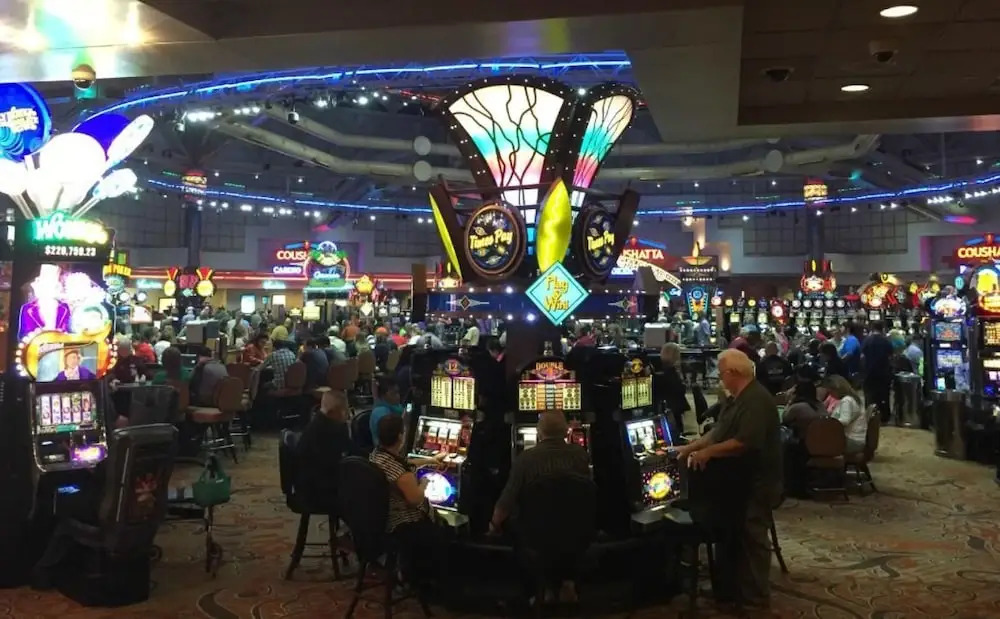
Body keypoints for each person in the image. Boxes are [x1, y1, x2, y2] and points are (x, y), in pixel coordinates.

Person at [673, 349, 782, 609]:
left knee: (753, 538)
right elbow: (717, 433)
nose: (720, 378)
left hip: (759, 482)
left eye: (721, 373)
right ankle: (731, 590)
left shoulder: (755, 400)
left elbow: (745, 442)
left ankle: (756, 598)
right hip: (736, 482)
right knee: (733, 534)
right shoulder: (737, 399)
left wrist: (708, 453)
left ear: (734, 373)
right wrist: (688, 448)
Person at [369, 413, 445, 593]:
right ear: (400, 436)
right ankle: (424, 580)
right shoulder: (402, 474)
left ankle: (410, 572)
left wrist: (429, 460)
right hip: (401, 524)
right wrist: (424, 483)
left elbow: (405, 462)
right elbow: (415, 499)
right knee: (442, 530)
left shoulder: (376, 456)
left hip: (379, 519)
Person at [490, 412, 591, 534]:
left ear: (539, 432)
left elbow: (507, 500)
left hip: (534, 532)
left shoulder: (525, 459)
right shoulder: (581, 456)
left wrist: (494, 525)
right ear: (566, 431)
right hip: (574, 528)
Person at [296, 391, 356, 511]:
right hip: (316, 492)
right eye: (345, 411)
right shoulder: (324, 432)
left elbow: (351, 449)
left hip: (323, 481)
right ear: (332, 412)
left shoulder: (328, 423)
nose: (348, 415)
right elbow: (334, 465)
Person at [861, 320, 894, 422]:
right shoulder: (885, 341)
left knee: (870, 396)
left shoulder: (867, 340)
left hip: (869, 373)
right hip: (883, 373)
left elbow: (862, 357)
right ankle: (884, 417)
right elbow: (891, 356)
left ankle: (870, 416)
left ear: (872, 328)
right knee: (883, 396)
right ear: (882, 328)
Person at [825, 375, 867, 455]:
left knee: (818, 443)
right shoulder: (851, 398)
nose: (831, 395)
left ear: (837, 389)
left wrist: (829, 422)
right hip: (855, 439)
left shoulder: (846, 401)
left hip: (853, 441)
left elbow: (845, 420)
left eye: (831, 392)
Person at [659, 342, 689, 435]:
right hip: (674, 407)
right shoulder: (671, 372)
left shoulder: (661, 370)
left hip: (670, 406)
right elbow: (680, 390)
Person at [370, 375, 405, 446]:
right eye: (393, 393)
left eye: (398, 392)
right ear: (383, 396)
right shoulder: (380, 413)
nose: (398, 396)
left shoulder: (397, 406)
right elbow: (388, 442)